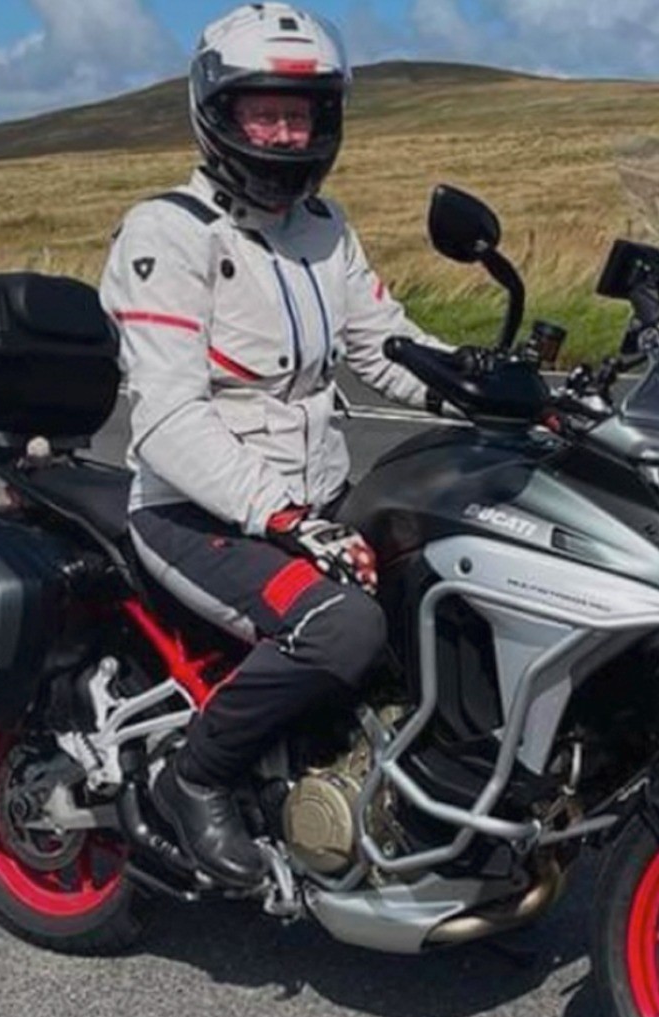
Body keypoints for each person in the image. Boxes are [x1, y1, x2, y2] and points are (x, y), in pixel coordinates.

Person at [99, 2, 452, 886]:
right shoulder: (168, 233)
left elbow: (386, 347)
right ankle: (195, 779)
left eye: (302, 114)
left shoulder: (322, 227)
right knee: (342, 628)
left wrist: (502, 387)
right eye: (266, 114)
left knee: (451, 574)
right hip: (196, 514)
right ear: (218, 113)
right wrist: (285, 517)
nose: (287, 135)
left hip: (313, 504)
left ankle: (425, 812)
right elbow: (168, 421)